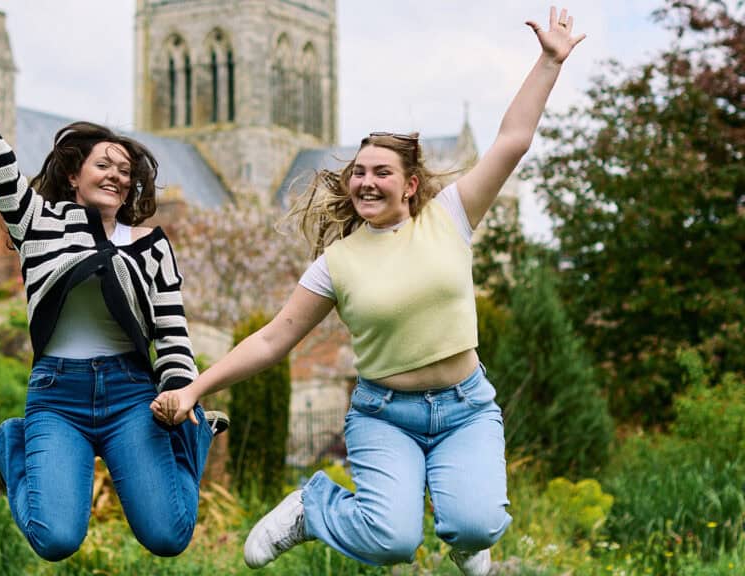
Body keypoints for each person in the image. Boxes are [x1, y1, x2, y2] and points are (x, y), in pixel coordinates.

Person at [151, 7, 584, 575]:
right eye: (358, 171)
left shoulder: (450, 216)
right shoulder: (339, 261)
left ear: (409, 184)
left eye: (381, 171)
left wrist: (549, 61)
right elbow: (273, 339)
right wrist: (194, 390)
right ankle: (312, 507)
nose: (366, 180)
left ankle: (467, 532)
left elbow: (513, 140)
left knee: (476, 523)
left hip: (466, 409)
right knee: (392, 541)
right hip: (384, 414)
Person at [0, 8, 228, 561]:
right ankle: (19, 443)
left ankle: (193, 433)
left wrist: (180, 392)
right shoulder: (35, 220)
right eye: (104, 164)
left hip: (133, 394)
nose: (116, 175)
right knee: (57, 540)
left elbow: (173, 333)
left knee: (168, 536)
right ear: (76, 172)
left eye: (126, 172)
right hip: (58, 395)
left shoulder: (150, 243)